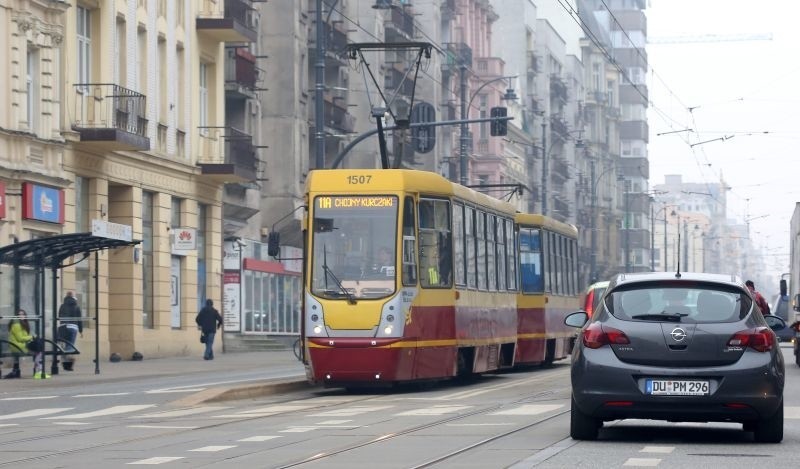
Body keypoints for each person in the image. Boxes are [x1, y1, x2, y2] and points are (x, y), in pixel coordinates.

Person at [4, 309, 46, 379]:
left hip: (21, 345)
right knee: (39, 350)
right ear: (16, 316)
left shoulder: (21, 324)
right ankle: (38, 372)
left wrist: (32, 337)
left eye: (23, 314)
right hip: (17, 346)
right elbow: (20, 338)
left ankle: (38, 372)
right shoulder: (16, 324)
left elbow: (24, 337)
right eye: (19, 314)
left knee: (39, 348)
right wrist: (31, 337)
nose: (21, 316)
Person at [58, 291, 83, 371]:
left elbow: (59, 316)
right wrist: (81, 330)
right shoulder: (76, 306)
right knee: (70, 345)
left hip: (63, 327)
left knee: (64, 345)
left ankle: (65, 362)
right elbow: (79, 319)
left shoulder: (62, 306)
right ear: (73, 297)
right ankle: (68, 365)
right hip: (73, 327)